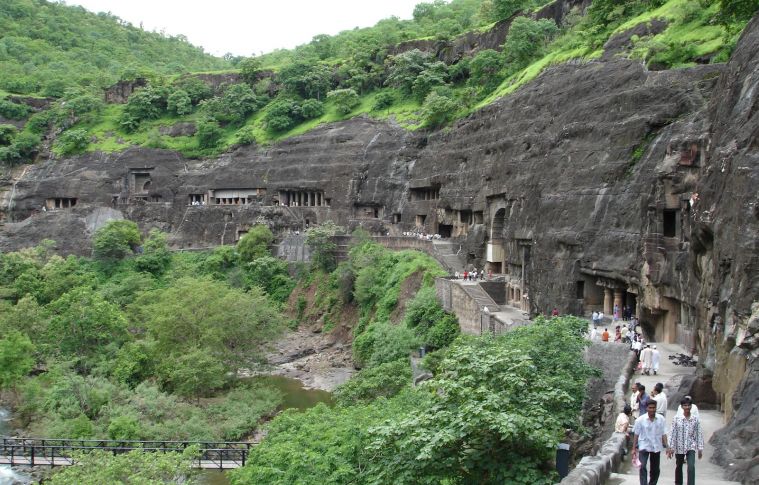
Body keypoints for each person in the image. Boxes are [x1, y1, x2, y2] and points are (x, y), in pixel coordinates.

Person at [667, 397, 704, 485]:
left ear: (691, 406)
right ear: (682, 407)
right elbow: (672, 432)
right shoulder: (677, 419)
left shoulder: (695, 419)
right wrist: (670, 447)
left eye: (688, 405)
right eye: (685, 405)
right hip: (679, 446)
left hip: (691, 445)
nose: (687, 407)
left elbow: (699, 433)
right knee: (679, 465)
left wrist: (700, 448)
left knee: (691, 466)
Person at [633, 399, 668, 485]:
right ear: (646, 408)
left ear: (656, 408)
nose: (652, 409)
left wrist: (667, 446)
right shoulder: (640, 420)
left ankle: (652, 483)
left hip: (656, 446)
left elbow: (664, 433)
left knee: (655, 469)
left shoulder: (661, 419)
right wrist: (633, 448)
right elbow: (636, 434)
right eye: (650, 407)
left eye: (654, 408)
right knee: (642, 466)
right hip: (644, 445)